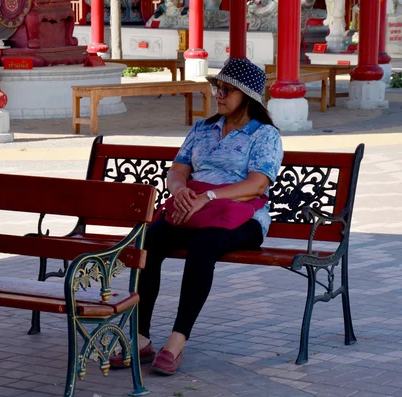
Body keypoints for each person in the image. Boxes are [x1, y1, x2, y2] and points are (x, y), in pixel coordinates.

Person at [110, 58, 283, 375]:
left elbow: (258, 183)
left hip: (242, 219)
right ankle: (142, 336)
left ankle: (177, 341)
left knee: (204, 248)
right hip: (194, 210)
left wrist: (208, 196)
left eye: (227, 90)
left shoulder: (264, 135)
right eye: (217, 87)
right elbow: (177, 170)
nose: (219, 94)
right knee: (149, 242)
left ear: (247, 97)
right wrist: (181, 192)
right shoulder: (203, 129)